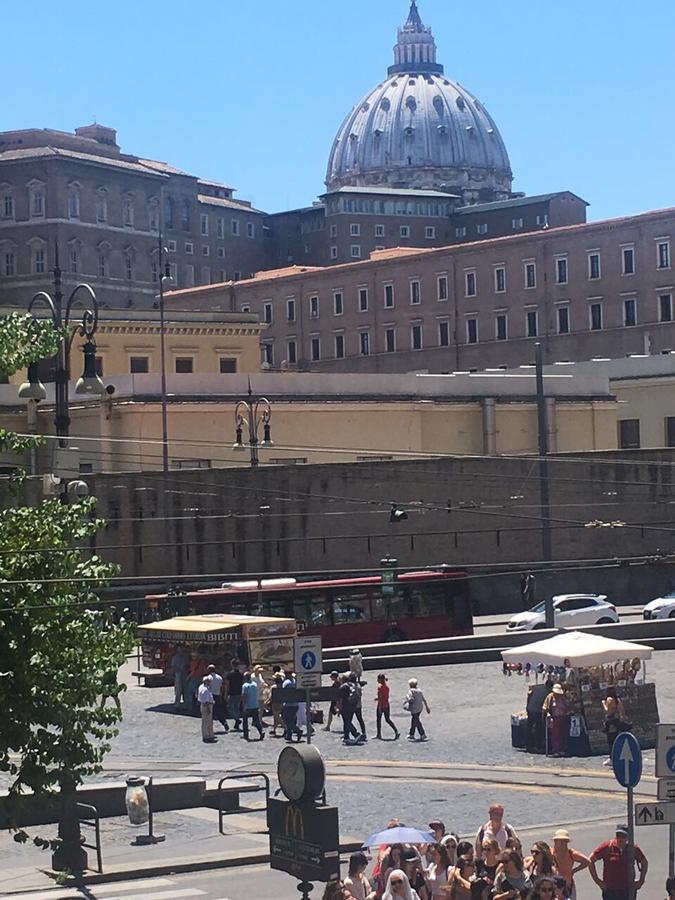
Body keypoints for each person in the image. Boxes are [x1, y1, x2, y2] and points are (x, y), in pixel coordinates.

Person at [588, 823, 648, 900]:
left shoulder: (633, 848)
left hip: (628, 890)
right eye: (618, 835)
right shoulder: (608, 846)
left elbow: (644, 862)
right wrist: (597, 881)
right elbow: (590, 861)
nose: (620, 838)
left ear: (628, 837)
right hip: (610, 890)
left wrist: (641, 880)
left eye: (623, 836)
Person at [551, 828, 589, 899]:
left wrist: (574, 871)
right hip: (553, 888)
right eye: (561, 841)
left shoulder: (571, 853)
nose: (563, 843)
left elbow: (587, 862)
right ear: (555, 841)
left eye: (565, 841)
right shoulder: (550, 853)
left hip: (568, 886)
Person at [602, 688, 629, 766]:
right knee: (616, 739)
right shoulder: (618, 700)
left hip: (611, 722)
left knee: (611, 741)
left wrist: (603, 703)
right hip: (617, 722)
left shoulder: (609, 700)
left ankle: (612, 758)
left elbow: (607, 711)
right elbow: (622, 712)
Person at [542, 684, 567, 757]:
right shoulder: (550, 697)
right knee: (555, 735)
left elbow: (566, 705)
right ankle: (555, 750)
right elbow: (545, 707)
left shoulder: (562, 698)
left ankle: (561, 749)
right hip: (554, 718)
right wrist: (548, 714)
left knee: (562, 734)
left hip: (562, 717)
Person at [525, 681, 550, 753]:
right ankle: (538, 746)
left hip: (530, 708)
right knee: (538, 727)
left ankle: (528, 745)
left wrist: (527, 706)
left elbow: (529, 695)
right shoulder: (548, 693)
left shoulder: (538, 688)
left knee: (529, 726)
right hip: (537, 710)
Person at [338, 673, 362, 744]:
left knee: (347, 722)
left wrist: (339, 709)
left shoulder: (342, 687)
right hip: (353, 705)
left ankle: (356, 734)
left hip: (346, 706)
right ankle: (346, 737)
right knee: (347, 722)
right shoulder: (352, 685)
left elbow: (341, 700)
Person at [241, 671, 265, 740]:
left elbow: (244, 696)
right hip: (255, 704)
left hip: (248, 706)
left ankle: (246, 735)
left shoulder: (245, 686)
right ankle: (261, 731)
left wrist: (244, 705)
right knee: (256, 720)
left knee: (245, 721)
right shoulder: (255, 684)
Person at [376, 673, 400, 740]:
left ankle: (379, 734)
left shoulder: (380, 688)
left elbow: (380, 698)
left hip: (381, 705)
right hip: (387, 705)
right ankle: (396, 731)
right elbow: (385, 696)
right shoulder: (387, 687)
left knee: (378, 720)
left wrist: (380, 708)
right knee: (388, 719)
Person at [281, 671, 303, 742]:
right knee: (292, 720)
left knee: (286, 721)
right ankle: (289, 735)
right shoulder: (295, 681)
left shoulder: (286, 683)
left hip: (288, 704)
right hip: (295, 704)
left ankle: (298, 731)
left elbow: (282, 693)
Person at [207, 664, 228, 732]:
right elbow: (222, 687)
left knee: (209, 712)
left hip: (210, 696)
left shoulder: (208, 678)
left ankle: (209, 727)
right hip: (218, 695)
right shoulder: (219, 677)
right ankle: (224, 722)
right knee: (219, 710)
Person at [225, 659, 244, 731]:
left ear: (232, 665)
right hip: (239, 692)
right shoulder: (241, 674)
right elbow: (242, 683)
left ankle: (236, 719)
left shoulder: (229, 674)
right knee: (237, 708)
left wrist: (226, 694)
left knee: (230, 708)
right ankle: (237, 721)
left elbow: (227, 685)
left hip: (232, 693)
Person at [170, 645, 190, 709]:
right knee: (178, 689)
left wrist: (185, 667)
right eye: (179, 649)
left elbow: (188, 665)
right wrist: (178, 669)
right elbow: (173, 666)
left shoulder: (185, 657)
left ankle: (186, 703)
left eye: (181, 649)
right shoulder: (174, 657)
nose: (180, 651)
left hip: (185, 674)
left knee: (186, 689)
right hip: (178, 674)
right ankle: (177, 703)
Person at [197, 675, 216, 743]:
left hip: (206, 705)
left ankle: (210, 735)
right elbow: (206, 701)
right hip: (207, 706)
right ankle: (206, 736)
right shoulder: (205, 689)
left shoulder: (202, 687)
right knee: (206, 722)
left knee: (209, 722)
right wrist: (208, 709)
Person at [350, 672, 368, 740]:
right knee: (360, 719)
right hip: (359, 705)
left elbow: (354, 695)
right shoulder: (358, 685)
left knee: (349, 720)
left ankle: (353, 733)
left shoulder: (353, 686)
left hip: (353, 705)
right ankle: (364, 733)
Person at [270, 671, 285, 737]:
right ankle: (274, 729)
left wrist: (267, 702)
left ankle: (285, 727)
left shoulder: (273, 687)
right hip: (281, 702)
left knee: (276, 716)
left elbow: (271, 696)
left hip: (275, 703)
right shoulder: (282, 686)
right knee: (276, 716)